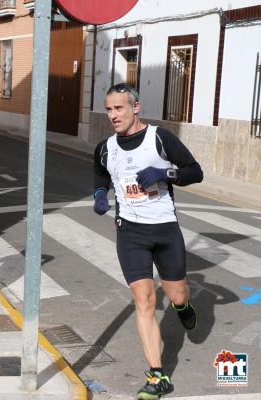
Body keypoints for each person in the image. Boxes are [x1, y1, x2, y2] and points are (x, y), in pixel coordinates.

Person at [92, 83, 203, 400]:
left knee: (175, 291)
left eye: (119, 108)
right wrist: (100, 193)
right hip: (130, 233)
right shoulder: (105, 147)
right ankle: (158, 375)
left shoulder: (160, 138)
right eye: (109, 109)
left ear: (135, 107)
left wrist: (164, 174)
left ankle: (182, 305)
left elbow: (195, 171)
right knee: (144, 300)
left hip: (165, 229)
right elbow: (100, 171)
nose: (113, 115)